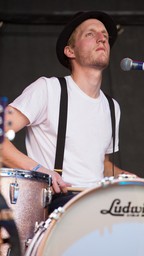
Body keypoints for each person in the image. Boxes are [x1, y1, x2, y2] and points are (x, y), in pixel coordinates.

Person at [3, 11, 134, 213]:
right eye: (90, 34)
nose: (102, 38)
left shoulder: (111, 106)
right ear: (70, 51)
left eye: (105, 36)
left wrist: (127, 177)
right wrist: (39, 171)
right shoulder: (48, 90)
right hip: (59, 207)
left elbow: (101, 163)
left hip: (100, 205)